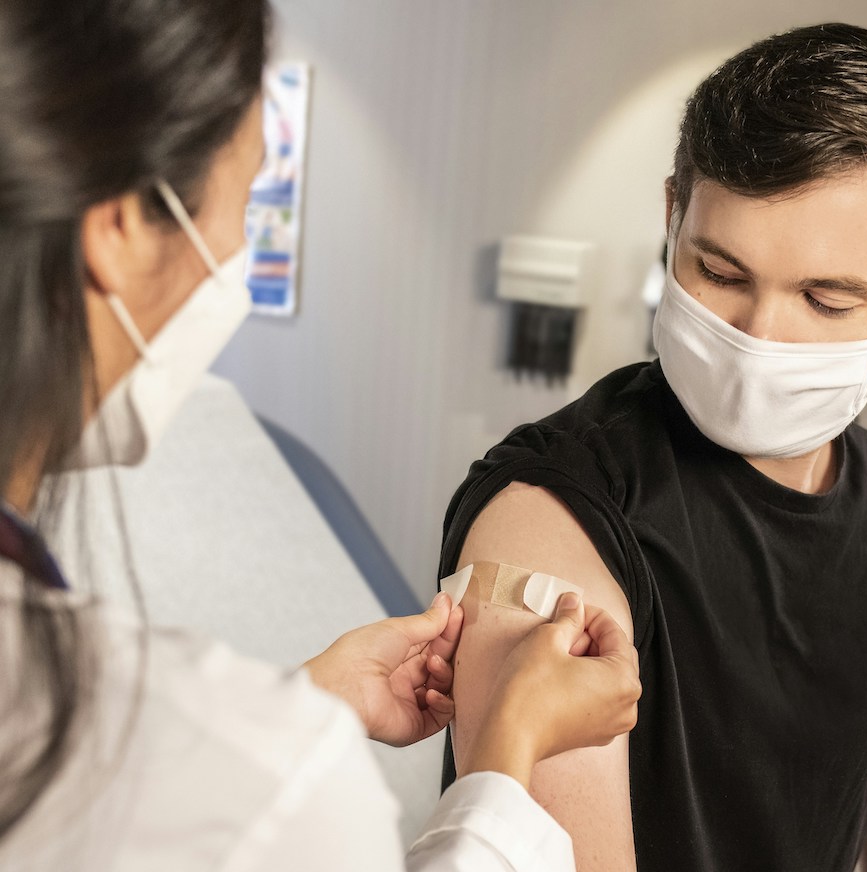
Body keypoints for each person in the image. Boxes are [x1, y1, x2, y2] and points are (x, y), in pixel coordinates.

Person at [0, 1, 642, 870]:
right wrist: (505, 760)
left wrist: (306, 700)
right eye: (254, 193)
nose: (238, 244)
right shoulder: (276, 778)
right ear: (118, 225)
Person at [441, 21, 867, 872]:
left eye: (826, 300)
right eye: (720, 272)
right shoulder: (553, 512)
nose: (759, 337)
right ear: (673, 215)